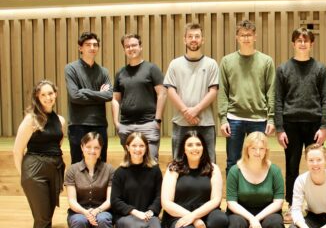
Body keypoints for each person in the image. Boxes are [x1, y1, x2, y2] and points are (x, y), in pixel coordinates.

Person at [275, 27, 326, 222]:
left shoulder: (320, 69)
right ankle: (292, 205)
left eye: (306, 40)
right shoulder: (283, 69)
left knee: (316, 166)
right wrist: (280, 128)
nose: (302, 43)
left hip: (314, 124)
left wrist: (324, 126)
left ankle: (317, 206)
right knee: (292, 167)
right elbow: (278, 100)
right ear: (293, 43)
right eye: (298, 40)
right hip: (291, 124)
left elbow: (325, 99)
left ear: (311, 44)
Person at [13, 80, 66, 228]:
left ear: (56, 94)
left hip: (54, 169)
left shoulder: (60, 120)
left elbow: (57, 143)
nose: (47, 97)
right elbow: (17, 150)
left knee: (44, 215)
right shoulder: (31, 120)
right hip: (34, 170)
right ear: (37, 97)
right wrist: (24, 176)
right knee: (43, 218)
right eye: (43, 95)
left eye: (50, 93)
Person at [161, 131, 228, 228]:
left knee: (221, 220)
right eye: (190, 144)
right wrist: (192, 218)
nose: (194, 148)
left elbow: (216, 200)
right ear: (183, 149)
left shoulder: (213, 168)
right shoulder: (174, 168)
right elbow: (166, 202)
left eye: (198, 144)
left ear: (204, 147)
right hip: (178, 213)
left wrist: (195, 216)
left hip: (207, 212)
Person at [218, 19, 276, 174]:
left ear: (255, 37)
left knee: (259, 159)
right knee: (232, 161)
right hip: (234, 118)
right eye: (242, 35)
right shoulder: (226, 61)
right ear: (237, 37)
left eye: (249, 35)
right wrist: (223, 119)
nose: (246, 38)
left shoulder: (266, 61)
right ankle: (233, 196)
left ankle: (256, 196)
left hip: (259, 119)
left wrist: (271, 118)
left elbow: (271, 91)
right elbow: (223, 91)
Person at [111, 132, 163, 228]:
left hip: (148, 214)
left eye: (141, 145)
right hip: (126, 215)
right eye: (134, 145)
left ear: (146, 147)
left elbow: (159, 196)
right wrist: (134, 212)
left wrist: (151, 211)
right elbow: (115, 201)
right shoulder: (120, 172)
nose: (138, 149)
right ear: (127, 147)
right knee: (137, 227)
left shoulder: (154, 170)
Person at [64, 132, 115, 228]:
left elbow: (110, 200)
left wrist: (97, 210)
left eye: (96, 147)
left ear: (101, 150)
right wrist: (86, 212)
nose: (92, 151)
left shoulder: (109, 170)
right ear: (82, 147)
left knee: (105, 218)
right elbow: (71, 200)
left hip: (102, 210)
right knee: (79, 221)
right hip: (79, 211)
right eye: (88, 147)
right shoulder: (72, 170)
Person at [164, 23, 219, 162]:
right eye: (190, 36)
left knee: (209, 163)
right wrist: (186, 112)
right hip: (181, 122)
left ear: (202, 39)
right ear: (184, 39)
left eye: (197, 36)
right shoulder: (175, 64)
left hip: (205, 123)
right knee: (178, 162)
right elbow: (170, 90)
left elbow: (213, 91)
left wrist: (195, 110)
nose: (193, 39)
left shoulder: (211, 64)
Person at [112, 33, 166, 161]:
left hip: (148, 124)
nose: (131, 48)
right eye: (127, 46)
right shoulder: (120, 73)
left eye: (134, 45)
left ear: (140, 47)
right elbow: (115, 99)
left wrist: (157, 120)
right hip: (126, 126)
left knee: (151, 163)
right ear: (124, 50)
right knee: (130, 165)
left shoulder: (152, 69)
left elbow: (162, 93)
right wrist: (116, 122)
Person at [65, 31, 112, 164]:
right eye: (88, 45)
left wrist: (85, 91)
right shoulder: (71, 68)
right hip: (78, 124)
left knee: (100, 163)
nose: (92, 47)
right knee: (77, 163)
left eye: (95, 45)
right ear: (80, 48)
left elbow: (108, 95)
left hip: (99, 124)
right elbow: (74, 96)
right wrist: (99, 94)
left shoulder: (103, 71)